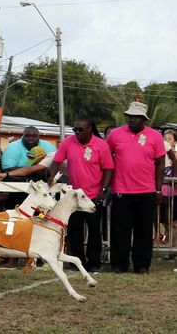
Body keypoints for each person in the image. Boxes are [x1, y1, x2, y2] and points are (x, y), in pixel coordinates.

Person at [106, 102, 166, 274]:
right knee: (120, 230)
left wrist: (158, 189)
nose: (132, 119)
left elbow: (160, 163)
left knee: (144, 230)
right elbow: (106, 155)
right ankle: (119, 264)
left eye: (137, 117)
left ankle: (142, 265)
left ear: (144, 119)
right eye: (130, 116)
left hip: (146, 191)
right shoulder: (115, 134)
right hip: (120, 190)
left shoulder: (154, 136)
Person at [48, 117, 114, 273]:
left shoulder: (100, 145)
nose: (76, 132)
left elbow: (109, 169)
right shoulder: (68, 142)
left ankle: (94, 263)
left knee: (94, 231)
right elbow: (57, 160)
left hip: (93, 196)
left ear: (90, 129)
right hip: (74, 196)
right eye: (74, 129)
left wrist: (103, 191)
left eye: (80, 130)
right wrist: (51, 176)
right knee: (74, 231)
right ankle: (78, 263)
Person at [159, 130, 177, 250]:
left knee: (174, 221)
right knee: (166, 220)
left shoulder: (174, 155)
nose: (166, 141)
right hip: (164, 192)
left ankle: (174, 247)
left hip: (173, 192)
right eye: (165, 138)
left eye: (169, 139)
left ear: (175, 141)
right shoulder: (162, 155)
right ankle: (167, 242)